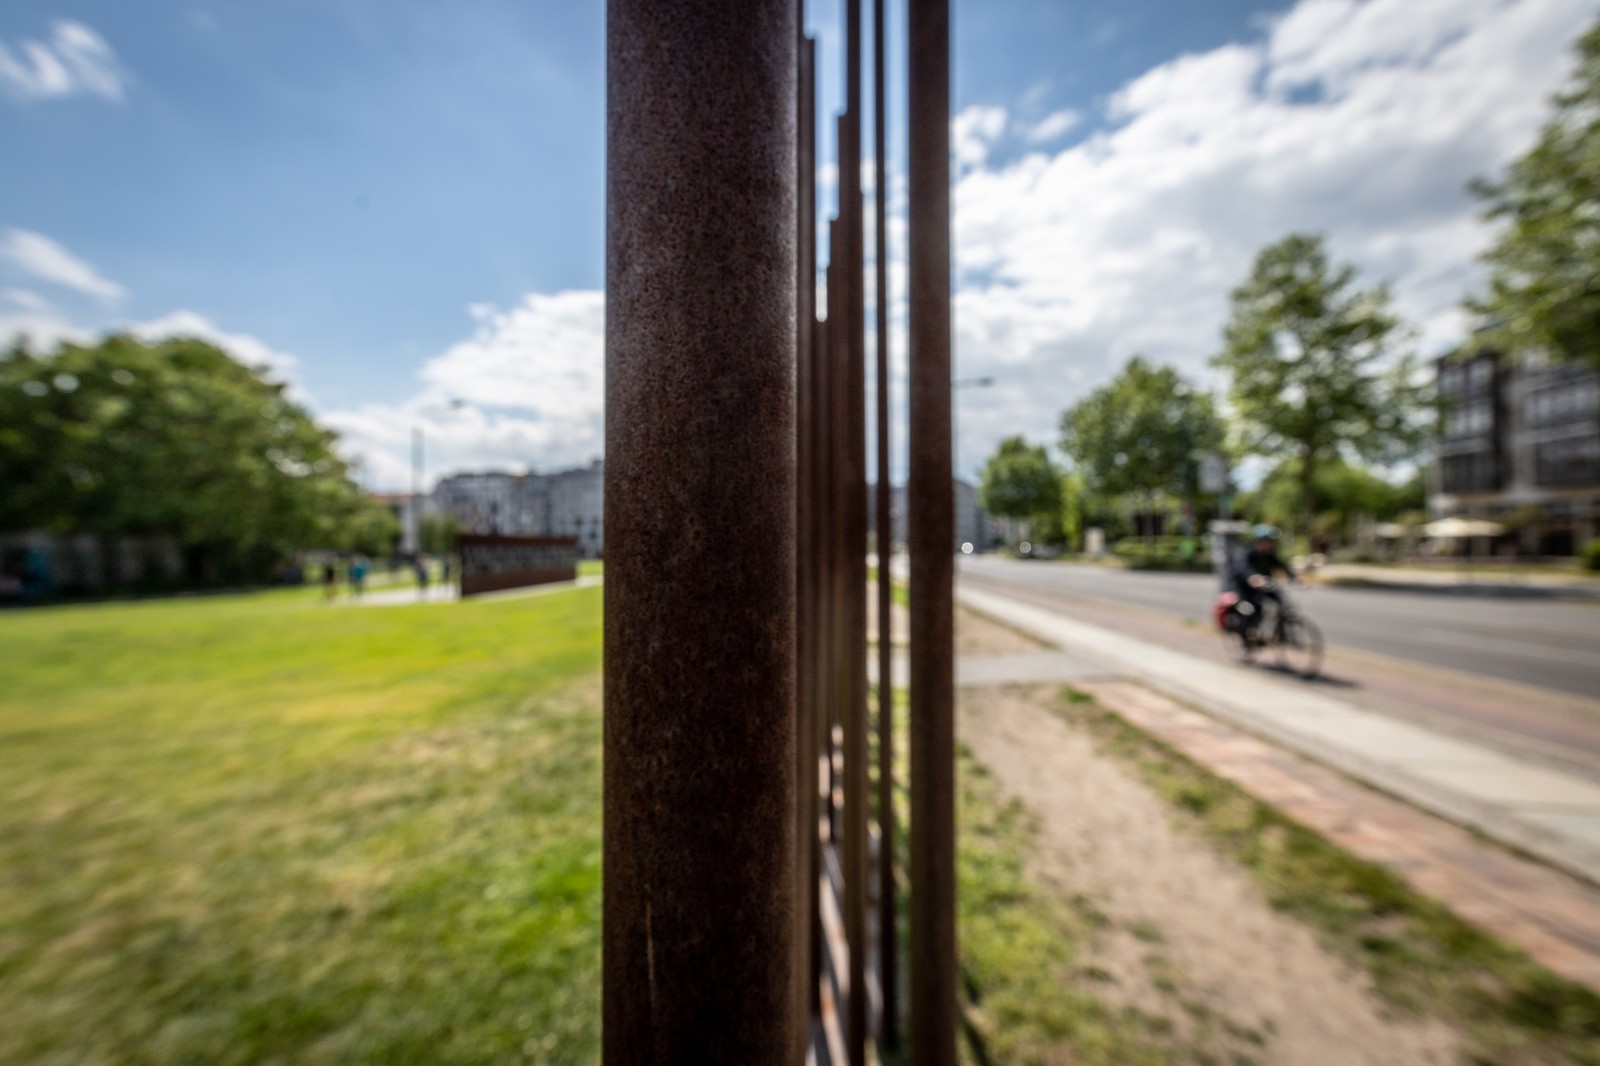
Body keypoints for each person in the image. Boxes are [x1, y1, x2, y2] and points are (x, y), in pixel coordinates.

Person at [1232, 525, 1296, 640]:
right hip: (1247, 587)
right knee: (1254, 609)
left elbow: (1282, 566)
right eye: (1266, 541)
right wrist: (1252, 577)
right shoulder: (1248, 553)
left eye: (1270, 541)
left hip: (1264, 585)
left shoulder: (1270, 555)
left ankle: (1280, 633)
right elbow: (1243, 567)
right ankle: (1248, 635)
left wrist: (1294, 577)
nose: (1269, 544)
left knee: (1281, 603)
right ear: (1258, 541)